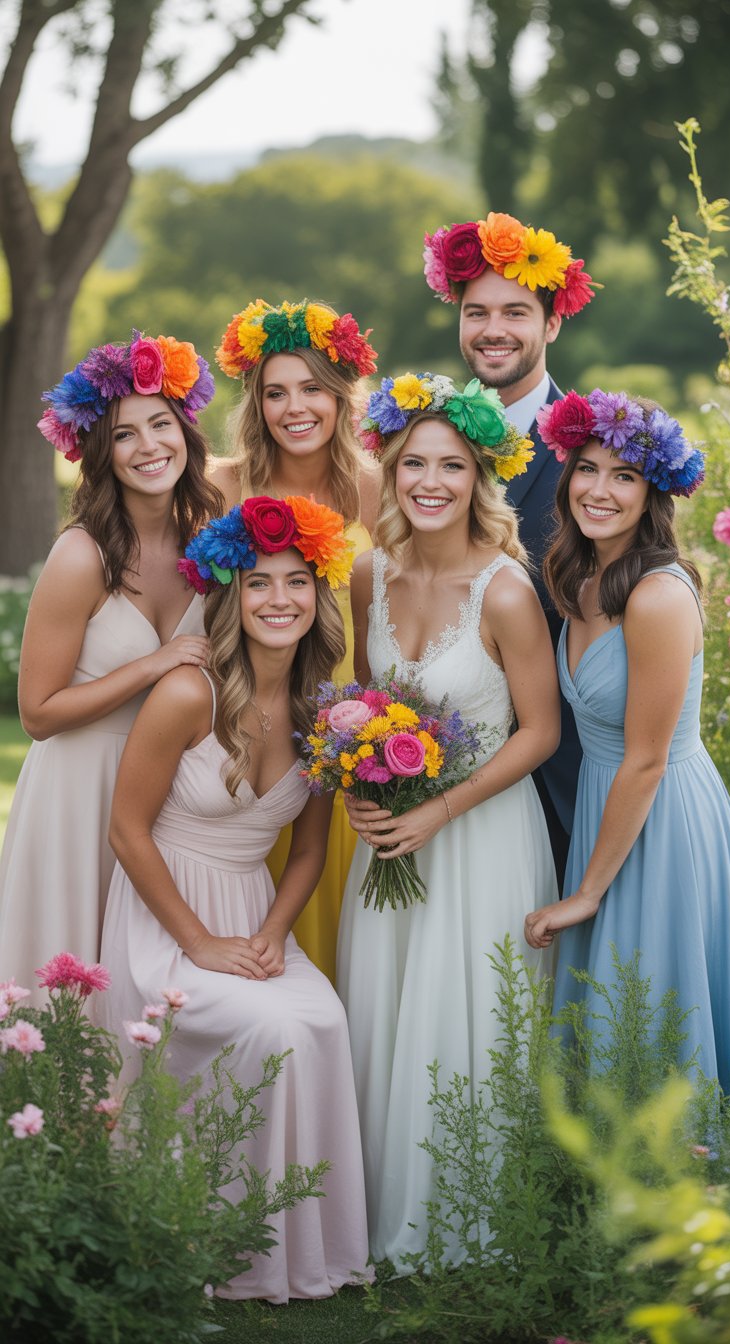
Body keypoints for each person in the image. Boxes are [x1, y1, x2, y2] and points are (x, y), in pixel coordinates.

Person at [100, 495, 372, 1302]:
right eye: (259, 584)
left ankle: (297, 1246)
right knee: (263, 1023)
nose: (279, 600)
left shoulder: (325, 716)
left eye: (296, 583)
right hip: (165, 910)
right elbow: (126, 831)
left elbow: (312, 849)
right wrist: (199, 943)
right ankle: (211, 1239)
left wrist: (270, 937)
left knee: (318, 1017)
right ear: (232, 596)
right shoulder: (190, 693)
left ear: (320, 598)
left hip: (256, 913)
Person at [336, 372, 560, 1267]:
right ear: (389, 472)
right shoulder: (366, 573)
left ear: (480, 479)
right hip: (389, 839)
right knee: (387, 1011)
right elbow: (361, 703)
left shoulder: (505, 590)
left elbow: (541, 731)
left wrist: (442, 809)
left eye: (452, 467)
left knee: (464, 1019)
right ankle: (375, 1209)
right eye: (413, 464)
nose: (430, 482)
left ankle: (468, 1218)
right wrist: (355, 775)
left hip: (480, 838)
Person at [523, 390, 730, 1108]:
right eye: (586, 469)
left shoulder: (658, 597)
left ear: (652, 491)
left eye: (624, 475)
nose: (599, 489)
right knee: (611, 1016)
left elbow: (647, 759)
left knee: (654, 1007)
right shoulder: (578, 576)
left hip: (661, 820)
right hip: (612, 806)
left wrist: (588, 892)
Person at [0, 332, 219, 1001]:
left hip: (164, 795)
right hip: (77, 790)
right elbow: (37, 713)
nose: (150, 446)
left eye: (162, 425)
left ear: (186, 432)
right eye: (126, 436)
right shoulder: (81, 555)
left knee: (143, 985)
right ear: (101, 453)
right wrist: (154, 665)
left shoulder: (207, 540)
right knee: (69, 986)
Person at [423, 213, 600, 887]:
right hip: (429, 769)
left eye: (515, 311)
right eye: (476, 313)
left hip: (564, 781)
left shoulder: (594, 455)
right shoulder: (425, 447)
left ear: (552, 323)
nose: (492, 329)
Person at [210, 298, 380, 981]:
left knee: (344, 948)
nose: (295, 407)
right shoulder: (222, 487)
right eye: (275, 392)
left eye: (312, 388)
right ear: (256, 403)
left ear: (341, 397)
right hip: (244, 745)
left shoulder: (378, 492)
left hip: (349, 749)